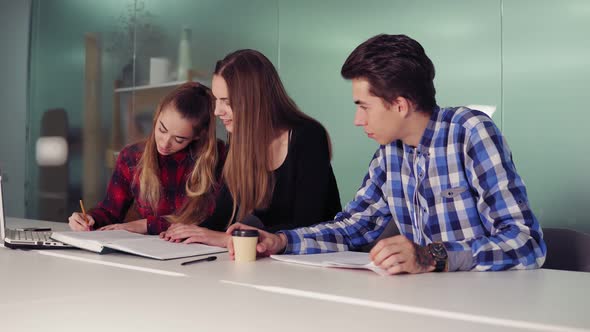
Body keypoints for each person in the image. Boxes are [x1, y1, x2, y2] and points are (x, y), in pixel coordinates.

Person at [227, 34, 547, 274]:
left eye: (364, 107)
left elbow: (526, 244)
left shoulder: (470, 132)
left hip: (489, 304)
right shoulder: (389, 153)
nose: (357, 120)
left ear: (400, 105)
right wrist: (280, 241)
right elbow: (354, 226)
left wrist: (431, 256)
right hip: (425, 302)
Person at [160, 49, 342, 245]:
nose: (216, 111)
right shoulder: (242, 140)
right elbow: (223, 214)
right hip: (272, 258)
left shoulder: (308, 135)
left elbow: (308, 223)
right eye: (216, 100)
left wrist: (226, 239)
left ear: (253, 101)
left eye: (226, 102)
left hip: (317, 258)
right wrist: (193, 232)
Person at [68, 82, 226, 239]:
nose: (164, 143)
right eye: (161, 129)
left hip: (197, 256)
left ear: (198, 135)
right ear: (157, 116)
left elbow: (208, 222)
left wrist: (144, 225)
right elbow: (110, 211)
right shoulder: (132, 157)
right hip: (146, 254)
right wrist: (89, 219)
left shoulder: (215, 158)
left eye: (179, 139)